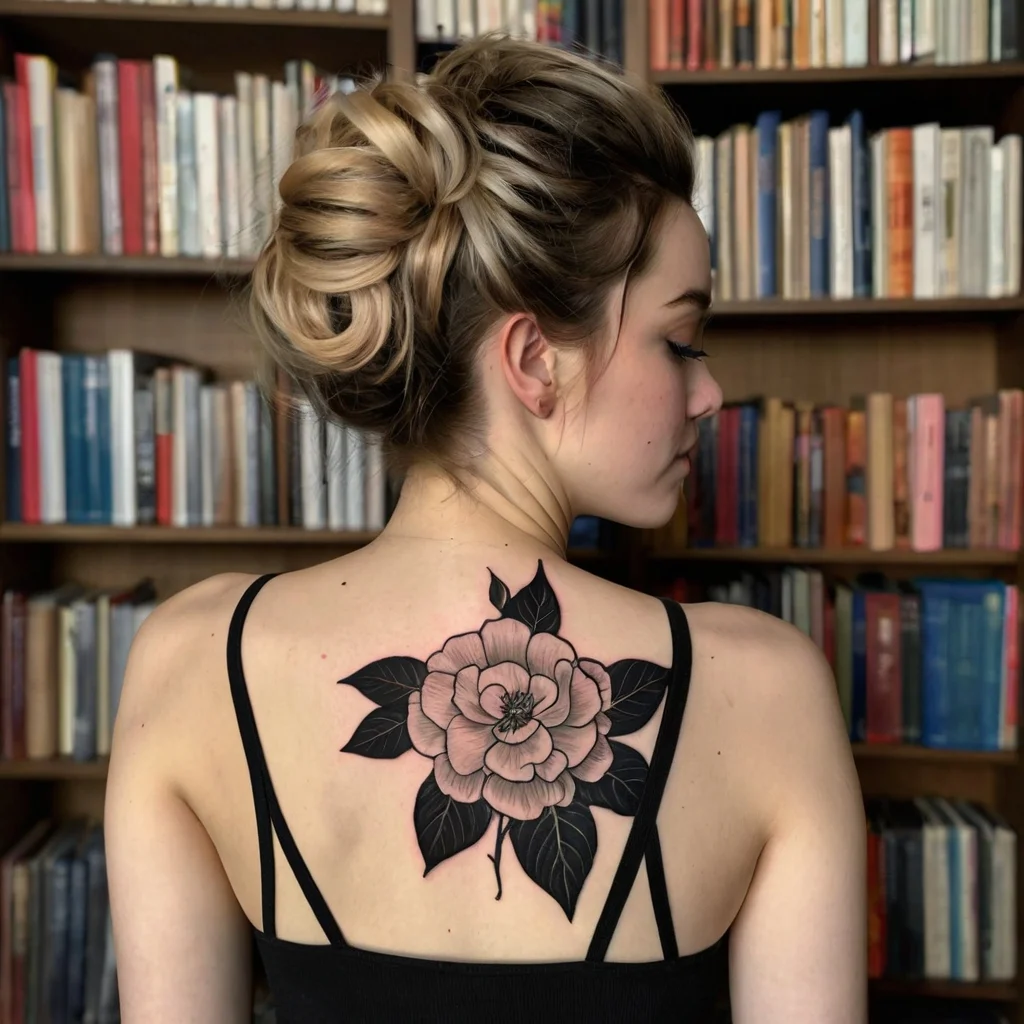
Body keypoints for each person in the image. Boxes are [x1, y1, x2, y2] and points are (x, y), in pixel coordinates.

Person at [105, 35, 866, 1024]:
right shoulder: (766, 690)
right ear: (533, 361)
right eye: (678, 341)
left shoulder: (190, 663)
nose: (710, 392)